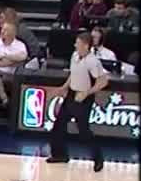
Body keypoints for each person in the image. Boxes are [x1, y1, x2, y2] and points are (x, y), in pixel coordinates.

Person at [47, 32, 109, 171]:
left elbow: (103, 81)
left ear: (86, 46)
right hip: (71, 94)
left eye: (78, 43)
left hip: (83, 97)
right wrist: (64, 87)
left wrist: (86, 93)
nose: (75, 45)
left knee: (83, 132)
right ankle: (60, 155)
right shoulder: (74, 55)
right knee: (58, 125)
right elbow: (73, 74)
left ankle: (98, 158)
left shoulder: (93, 61)